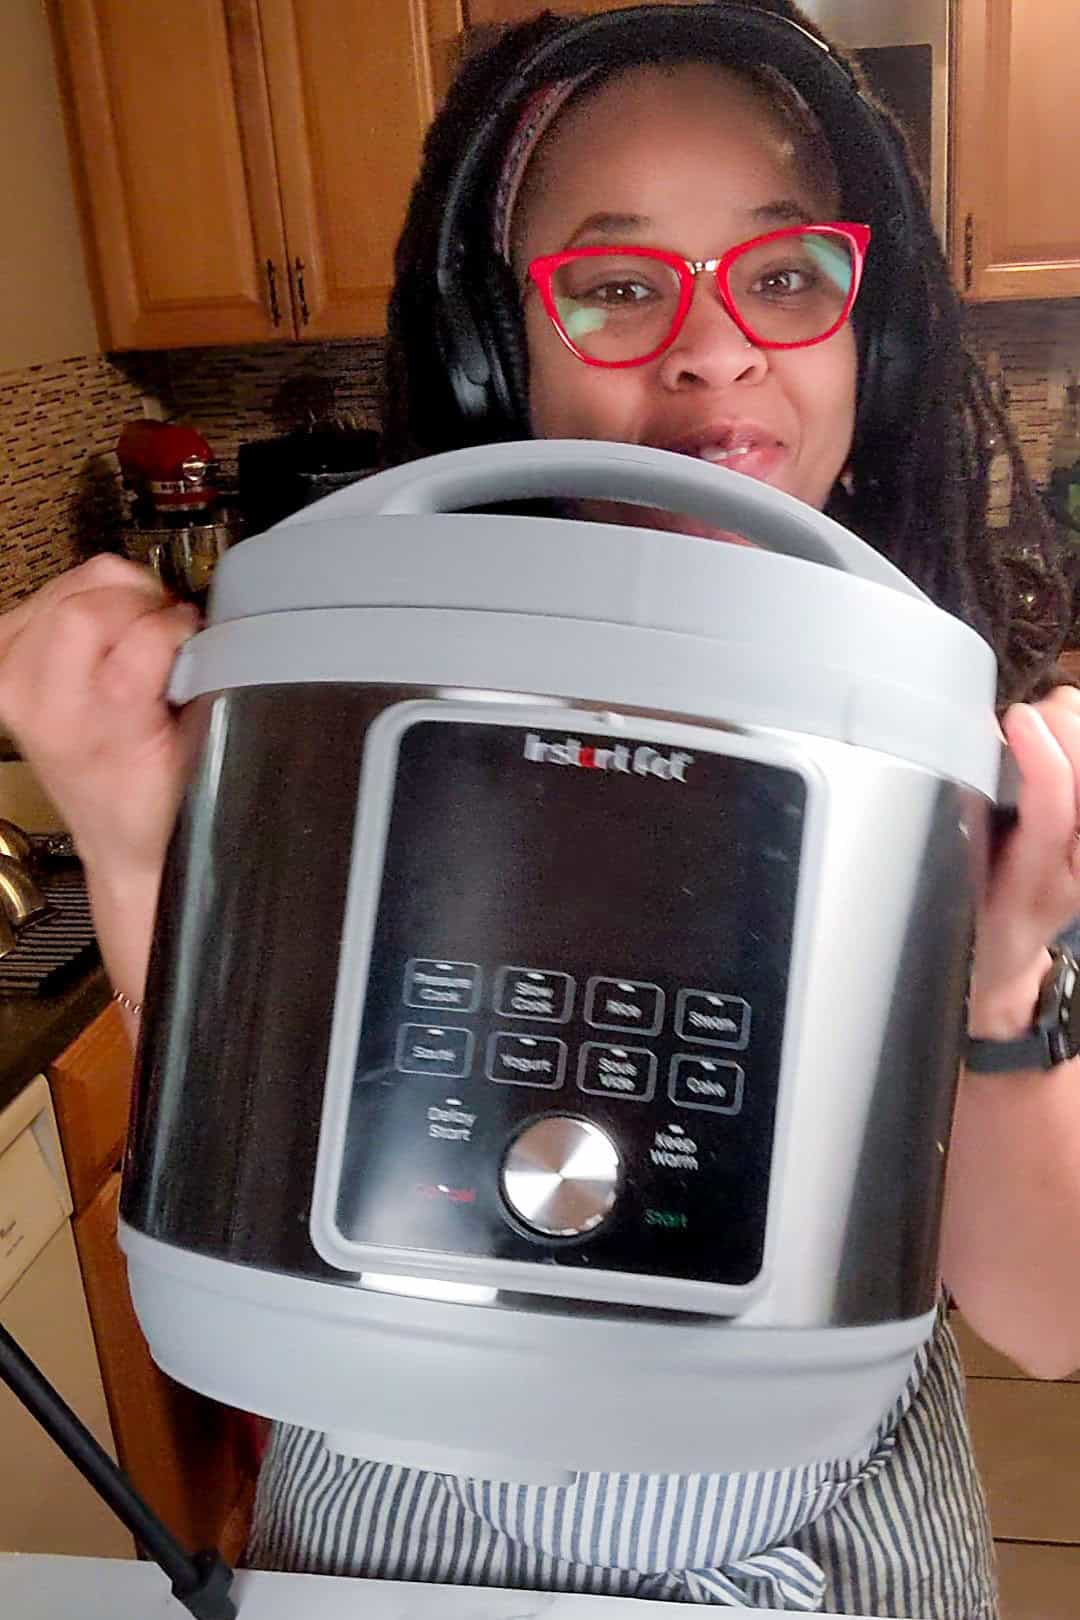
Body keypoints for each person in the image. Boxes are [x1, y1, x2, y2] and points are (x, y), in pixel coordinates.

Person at [3, 3, 1080, 1614]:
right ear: (497, 347)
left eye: (784, 277)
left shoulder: (974, 741)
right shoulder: (349, 676)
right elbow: (255, 1165)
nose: (717, 349)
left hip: (832, 1545)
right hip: (389, 1541)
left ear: (880, 335)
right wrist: (138, 832)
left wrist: (1002, 988)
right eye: (620, 285)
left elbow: (1051, 1320)